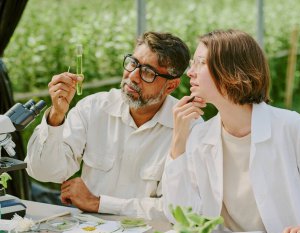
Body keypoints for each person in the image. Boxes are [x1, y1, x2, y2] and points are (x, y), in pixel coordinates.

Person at [162, 29, 300, 233]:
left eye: (200, 63)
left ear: (231, 71)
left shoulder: (291, 127)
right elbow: (181, 215)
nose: (190, 72)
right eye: (192, 63)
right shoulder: (200, 136)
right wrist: (178, 139)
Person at [26, 31, 190, 221]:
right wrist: (56, 115)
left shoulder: (187, 126)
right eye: (133, 63)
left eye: (148, 72)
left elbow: (176, 208)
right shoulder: (93, 108)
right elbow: (43, 171)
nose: (133, 76)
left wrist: (98, 203)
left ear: (171, 86)